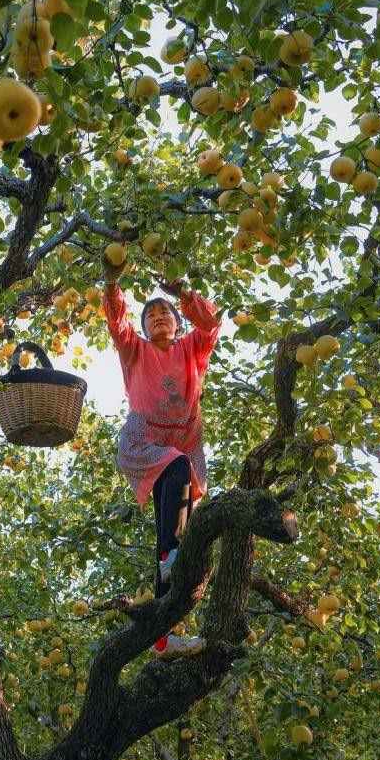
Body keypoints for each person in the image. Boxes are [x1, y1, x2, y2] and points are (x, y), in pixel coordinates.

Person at [102, 255, 221, 658]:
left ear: (177, 322)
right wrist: (112, 282)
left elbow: (211, 323)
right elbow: (117, 323)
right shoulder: (135, 349)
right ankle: (171, 556)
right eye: (150, 315)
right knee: (174, 530)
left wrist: (183, 293)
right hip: (145, 442)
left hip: (184, 445)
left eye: (164, 313)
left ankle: (163, 638)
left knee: (176, 535)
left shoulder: (192, 348)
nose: (157, 318)